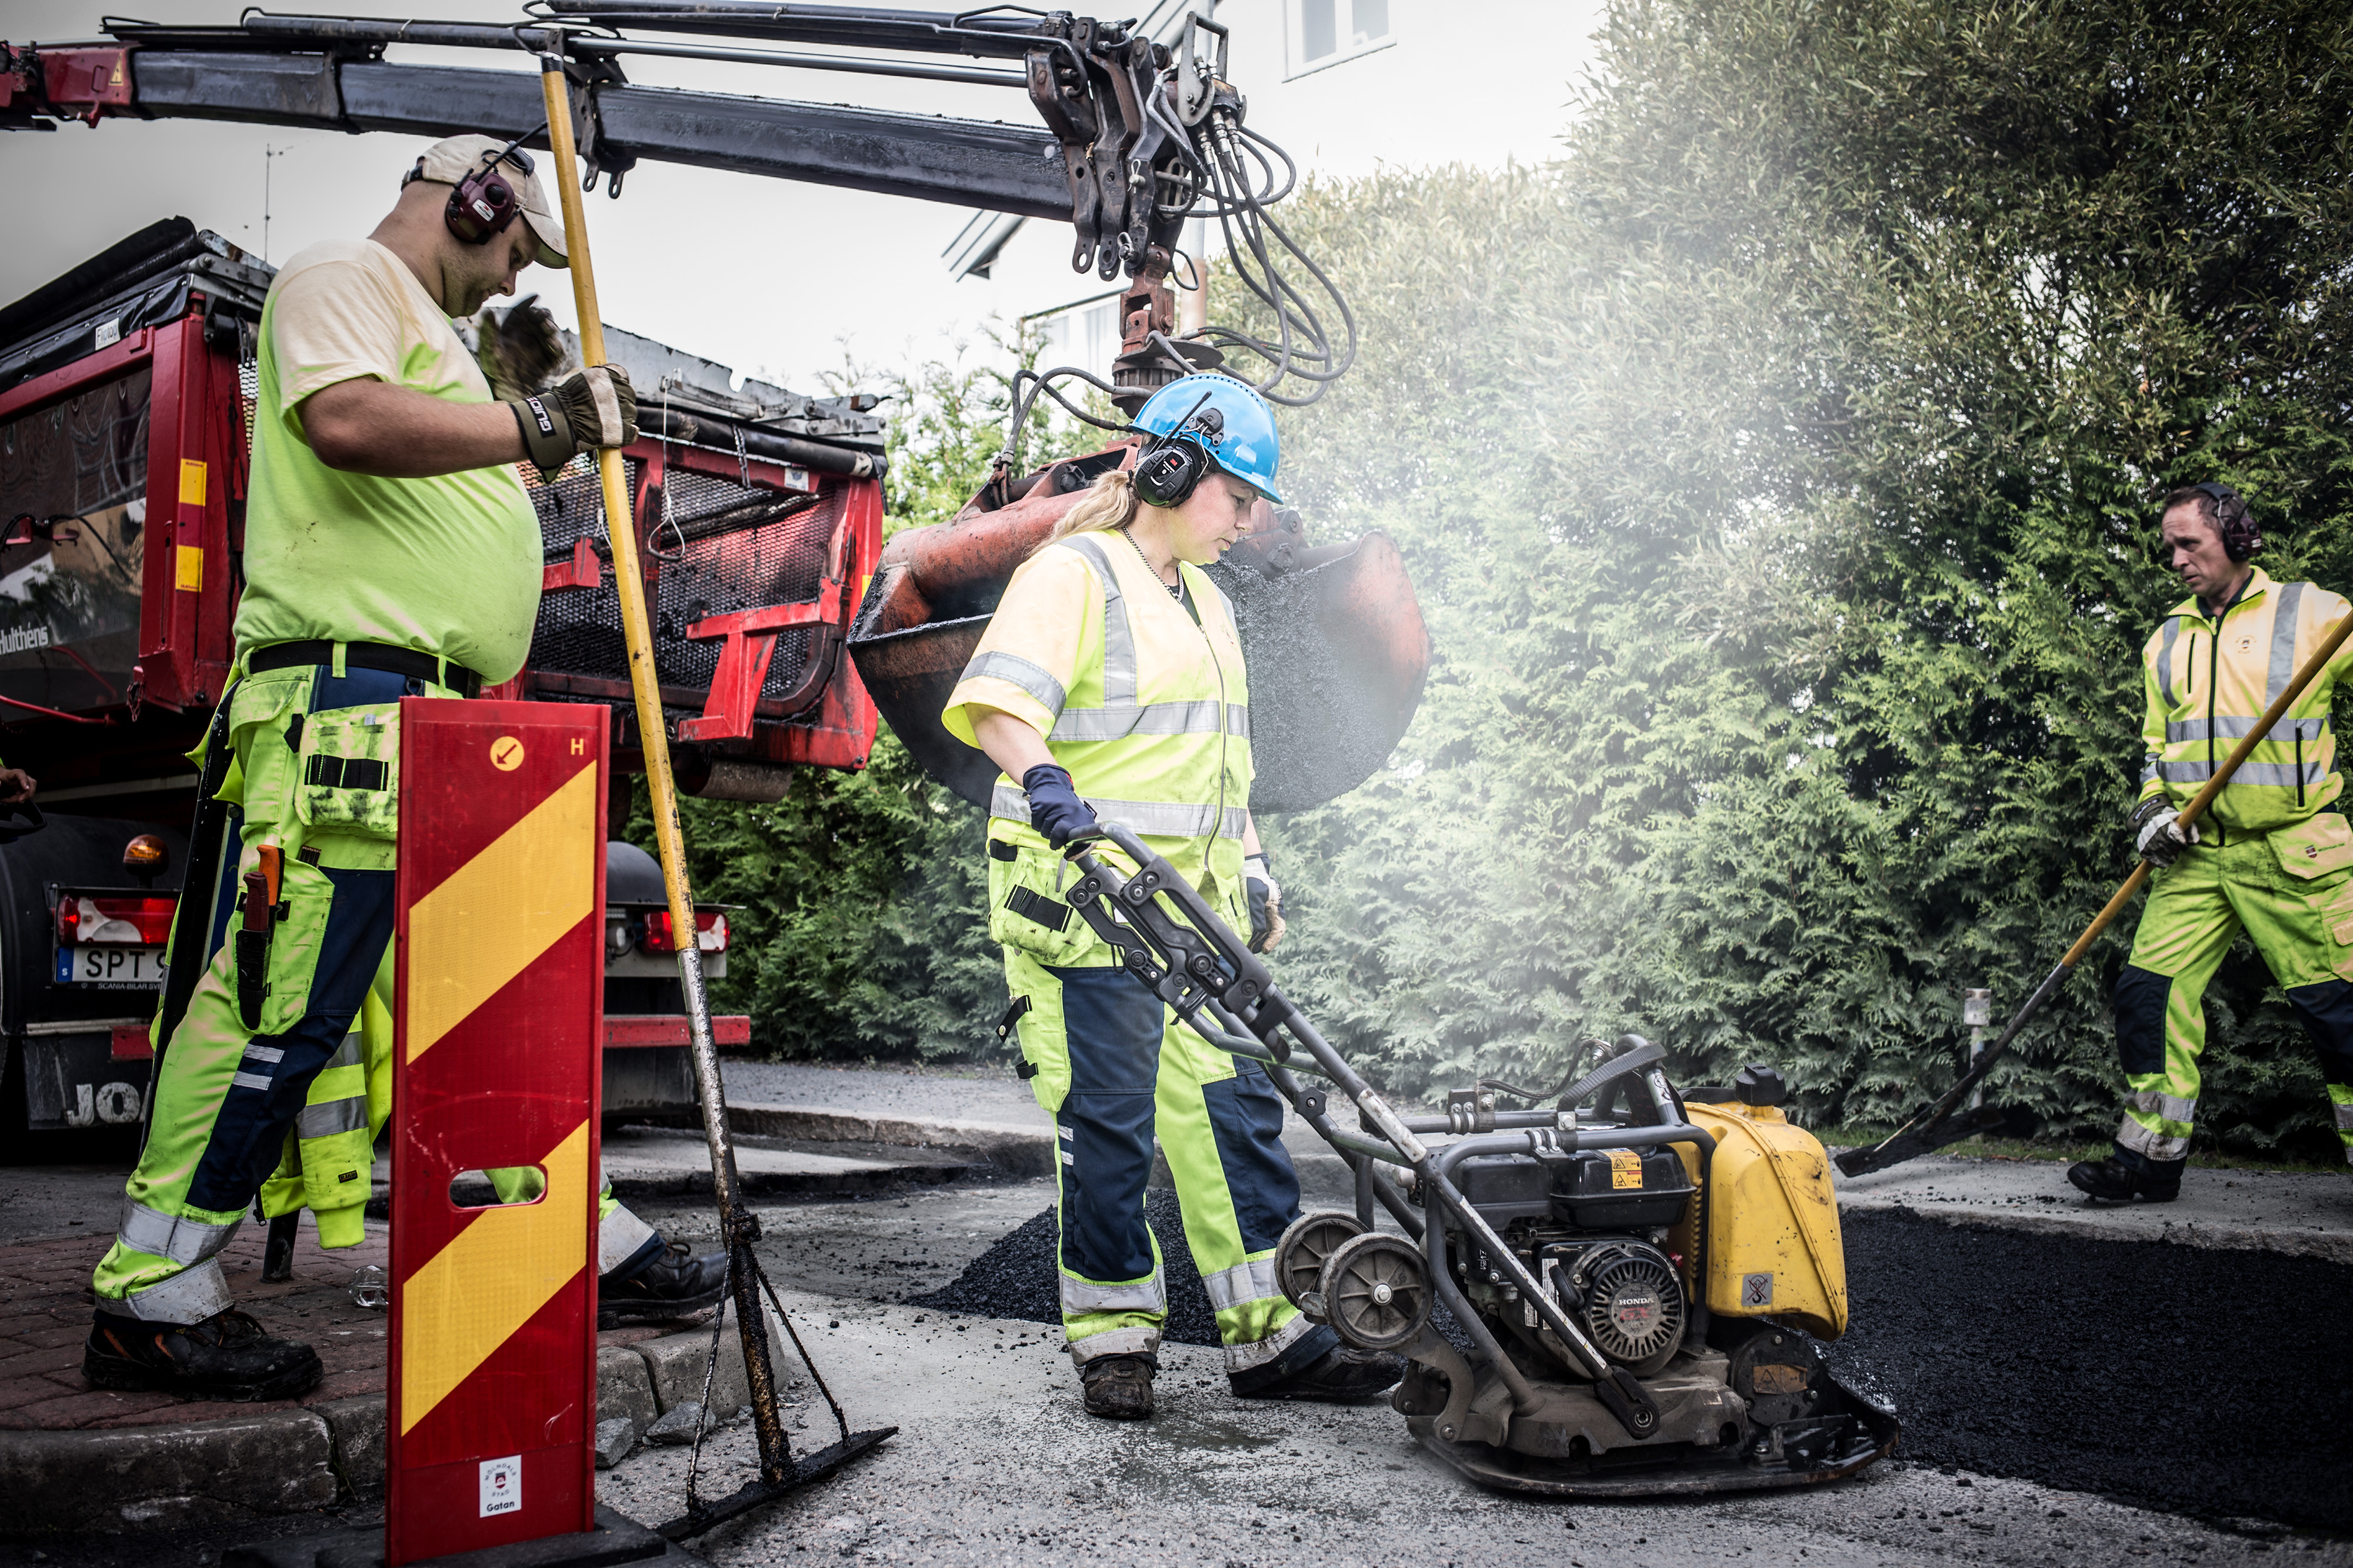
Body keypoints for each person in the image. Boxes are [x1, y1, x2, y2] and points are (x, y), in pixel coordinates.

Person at [84, 135, 725, 1400]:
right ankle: (151, 1291)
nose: (506, 282)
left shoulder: (428, 330)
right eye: (510, 250)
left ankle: (572, 1237)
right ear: (472, 200)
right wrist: (533, 424)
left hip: (423, 719)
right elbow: (343, 419)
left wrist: (516, 424)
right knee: (279, 1003)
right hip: (346, 713)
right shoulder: (341, 276)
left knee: (488, 1009)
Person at [942, 372, 1398, 1419]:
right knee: (1110, 1121)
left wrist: (1251, 866)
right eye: (1237, 498)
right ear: (1169, 469)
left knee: (1234, 1105)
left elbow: (1222, 769)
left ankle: (1275, 1329)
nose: (1248, 520)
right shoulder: (1075, 576)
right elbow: (1004, 706)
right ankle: (1114, 1339)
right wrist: (1051, 790)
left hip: (1188, 913)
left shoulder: (1213, 607)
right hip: (1087, 895)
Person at [2070, 482, 2353, 1202]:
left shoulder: (2313, 613)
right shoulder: (2164, 641)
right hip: (2193, 860)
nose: (2175, 559)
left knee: (2339, 1009)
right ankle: (2147, 1162)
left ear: (2235, 535)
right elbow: (2153, 750)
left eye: (2188, 542)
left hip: (2294, 852)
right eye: (2168, 546)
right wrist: (2152, 813)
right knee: (2147, 998)